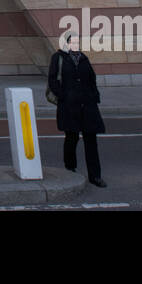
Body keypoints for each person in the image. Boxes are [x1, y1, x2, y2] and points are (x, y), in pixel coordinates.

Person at [47, 33, 106, 187]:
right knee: (71, 138)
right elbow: (52, 79)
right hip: (69, 106)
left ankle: (95, 176)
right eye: (72, 41)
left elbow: (92, 79)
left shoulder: (84, 58)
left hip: (87, 106)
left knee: (91, 141)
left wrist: (94, 96)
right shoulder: (58, 58)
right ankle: (70, 167)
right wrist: (63, 96)